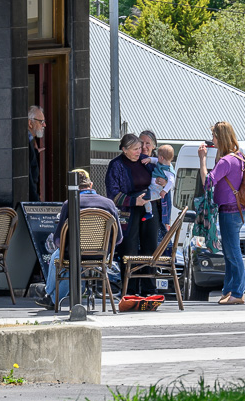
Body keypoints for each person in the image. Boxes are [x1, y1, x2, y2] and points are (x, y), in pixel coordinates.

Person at [39, 169, 119, 310]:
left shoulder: (69, 203)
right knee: (67, 258)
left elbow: (58, 239)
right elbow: (118, 238)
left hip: (74, 254)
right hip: (101, 254)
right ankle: (51, 298)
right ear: (91, 184)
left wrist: (61, 246)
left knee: (59, 257)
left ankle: (50, 295)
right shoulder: (109, 204)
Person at [199, 120, 245, 305]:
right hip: (238, 211)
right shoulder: (238, 157)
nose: (212, 139)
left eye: (214, 136)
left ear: (220, 138)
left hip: (229, 211)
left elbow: (207, 183)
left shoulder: (227, 160)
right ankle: (228, 290)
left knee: (233, 252)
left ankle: (237, 293)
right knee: (228, 252)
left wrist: (202, 159)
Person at [105, 133, 159, 295]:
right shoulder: (116, 165)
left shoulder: (145, 162)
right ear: (124, 149)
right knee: (129, 250)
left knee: (150, 248)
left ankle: (149, 289)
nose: (140, 151)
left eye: (140, 148)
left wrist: (163, 181)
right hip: (128, 213)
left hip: (149, 208)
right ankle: (130, 290)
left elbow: (162, 173)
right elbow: (112, 194)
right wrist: (133, 201)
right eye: (135, 149)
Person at [27, 105, 47, 200]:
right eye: (41, 122)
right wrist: (35, 201)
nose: (44, 125)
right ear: (30, 123)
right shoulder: (25, 144)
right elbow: (29, 177)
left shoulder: (31, 142)